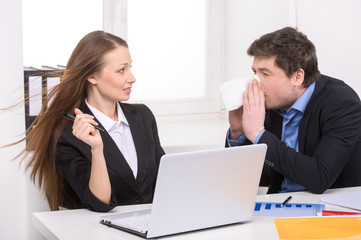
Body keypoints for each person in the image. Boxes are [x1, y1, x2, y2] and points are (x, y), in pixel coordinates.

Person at [21, 31, 164, 212]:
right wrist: (97, 150)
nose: (132, 78)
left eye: (130, 68)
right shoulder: (68, 133)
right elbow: (100, 203)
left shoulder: (143, 116)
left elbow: (164, 178)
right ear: (92, 76)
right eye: (121, 70)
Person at [227, 27, 361, 194]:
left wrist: (258, 134)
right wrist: (238, 133)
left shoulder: (341, 103)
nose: (255, 83)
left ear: (298, 77)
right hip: (279, 203)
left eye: (265, 74)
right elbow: (253, 179)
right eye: (255, 72)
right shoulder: (269, 103)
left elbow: (319, 178)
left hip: (328, 209)